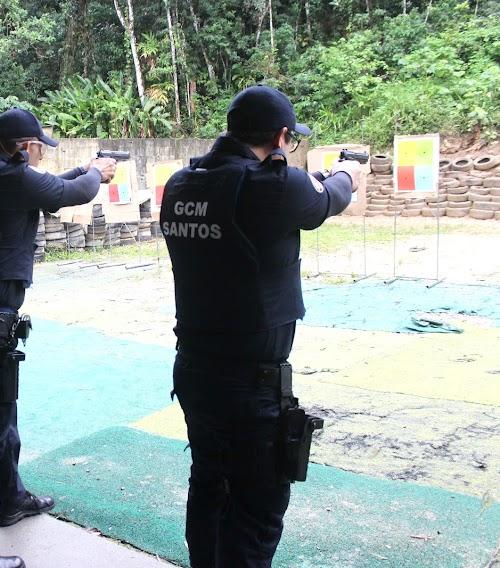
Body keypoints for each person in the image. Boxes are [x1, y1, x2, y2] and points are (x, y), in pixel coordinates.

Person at [159, 85, 360, 568]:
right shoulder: (274, 185)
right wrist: (348, 173)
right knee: (255, 512)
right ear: (283, 136)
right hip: (250, 388)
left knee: (209, 486)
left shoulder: (184, 183)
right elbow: (328, 198)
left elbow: (270, 190)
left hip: (195, 371)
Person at [0, 108, 117, 568]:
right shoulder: (13, 178)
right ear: (22, 147)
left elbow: (49, 186)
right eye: (37, 148)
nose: (39, 156)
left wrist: (84, 168)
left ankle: (11, 497)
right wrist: (97, 172)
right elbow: (73, 192)